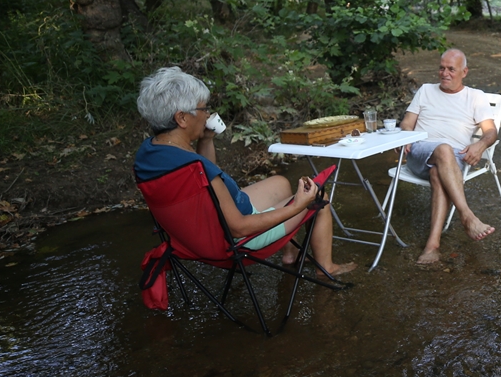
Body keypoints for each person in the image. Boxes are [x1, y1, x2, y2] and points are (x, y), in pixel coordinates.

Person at [134, 67, 355, 276]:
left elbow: (204, 184)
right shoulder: (197, 168)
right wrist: (299, 205)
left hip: (194, 237)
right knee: (319, 197)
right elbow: (239, 227)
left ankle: (291, 254)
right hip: (235, 240)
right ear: (181, 118)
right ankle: (326, 267)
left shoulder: (151, 154)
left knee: (279, 183)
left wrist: (207, 139)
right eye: (203, 109)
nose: (208, 114)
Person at [400, 48, 497, 264]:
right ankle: (467, 215)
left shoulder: (475, 96)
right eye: (441, 68)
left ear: (464, 71)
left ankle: (432, 246)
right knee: (443, 149)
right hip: (420, 150)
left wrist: (480, 145)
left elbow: (490, 131)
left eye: (451, 69)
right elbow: (407, 122)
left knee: (438, 172)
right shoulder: (426, 90)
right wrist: (405, 135)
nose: (445, 73)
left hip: (452, 160)